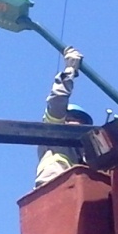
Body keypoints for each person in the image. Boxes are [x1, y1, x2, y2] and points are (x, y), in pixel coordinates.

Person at [35, 46, 94, 187]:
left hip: (76, 196)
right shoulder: (53, 135)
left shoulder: (87, 157)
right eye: (71, 119)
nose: (75, 123)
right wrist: (70, 70)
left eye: (80, 121)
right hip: (51, 188)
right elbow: (57, 100)